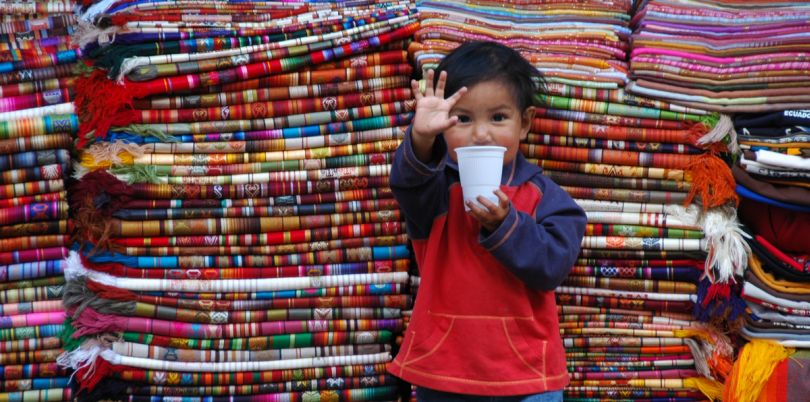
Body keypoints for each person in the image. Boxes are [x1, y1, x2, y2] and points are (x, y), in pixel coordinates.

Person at [387, 41, 587, 401]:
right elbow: (407, 183)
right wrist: (420, 137)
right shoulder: (434, 192)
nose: (481, 133)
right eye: (462, 119)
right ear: (444, 126)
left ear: (525, 123)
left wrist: (506, 224)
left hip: (527, 372)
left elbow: (553, 265)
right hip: (444, 368)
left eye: (498, 117)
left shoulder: (545, 198)